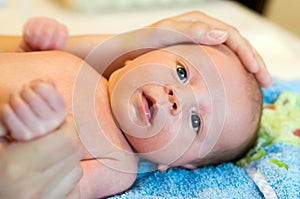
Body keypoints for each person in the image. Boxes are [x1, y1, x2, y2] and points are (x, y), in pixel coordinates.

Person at [0, 11, 270, 199]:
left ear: (177, 164)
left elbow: (65, 190)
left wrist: (38, 139)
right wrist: (32, 47)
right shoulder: (82, 64)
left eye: (196, 121)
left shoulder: (118, 166)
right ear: (140, 55)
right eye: (182, 72)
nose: (177, 98)